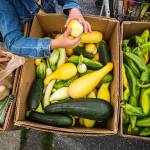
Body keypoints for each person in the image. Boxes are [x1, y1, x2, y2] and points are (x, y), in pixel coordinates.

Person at [0, 0, 91, 58]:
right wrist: (54, 44)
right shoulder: (3, 4)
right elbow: (12, 42)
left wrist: (73, 8)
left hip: (45, 24)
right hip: (29, 41)